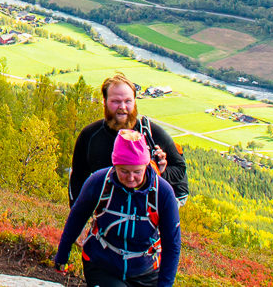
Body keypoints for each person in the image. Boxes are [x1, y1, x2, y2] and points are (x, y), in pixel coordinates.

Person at [54, 129, 181, 287]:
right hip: (102, 266)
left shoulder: (163, 193)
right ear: (115, 165)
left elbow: (172, 244)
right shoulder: (99, 182)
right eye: (124, 171)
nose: (131, 178)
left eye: (137, 171)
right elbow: (77, 218)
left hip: (146, 271)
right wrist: (62, 256)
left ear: (146, 165)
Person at [69, 73, 187, 202]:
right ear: (104, 101)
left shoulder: (151, 133)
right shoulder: (90, 135)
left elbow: (179, 169)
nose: (122, 107)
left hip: (146, 213)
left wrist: (161, 172)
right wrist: (79, 215)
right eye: (116, 101)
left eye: (128, 101)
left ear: (135, 102)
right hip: (106, 212)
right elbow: (77, 180)